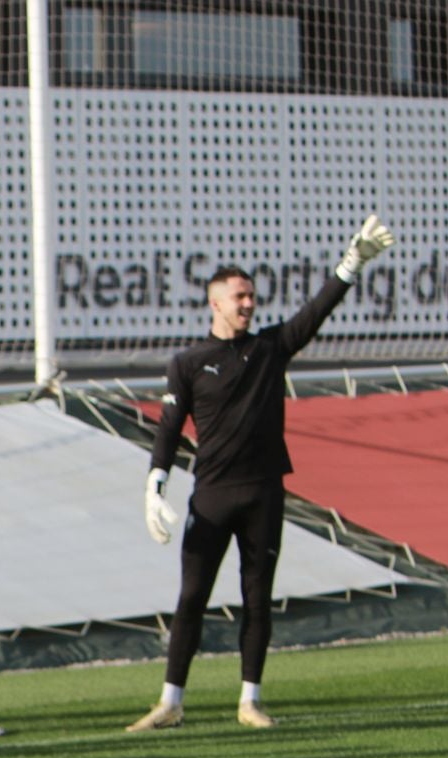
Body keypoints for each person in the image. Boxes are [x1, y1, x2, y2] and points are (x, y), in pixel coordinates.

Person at [129, 215, 395, 731]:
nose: (248, 304)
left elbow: (315, 312)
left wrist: (352, 263)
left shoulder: (270, 348)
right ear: (215, 303)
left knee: (257, 597)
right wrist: (153, 485)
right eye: (238, 297)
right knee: (191, 597)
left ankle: (249, 701)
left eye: (251, 296)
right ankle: (171, 702)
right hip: (211, 496)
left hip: (264, 493)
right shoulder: (188, 362)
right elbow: (167, 428)